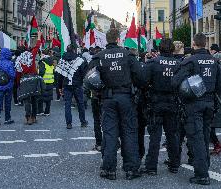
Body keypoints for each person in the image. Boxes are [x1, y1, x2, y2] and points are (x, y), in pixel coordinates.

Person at [89, 28, 145, 180]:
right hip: (126, 98)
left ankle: (109, 170)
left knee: (109, 133)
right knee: (129, 132)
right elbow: (141, 78)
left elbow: (89, 79)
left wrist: (99, 91)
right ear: (118, 40)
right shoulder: (128, 55)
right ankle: (131, 169)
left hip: (108, 98)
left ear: (107, 40)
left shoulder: (98, 56)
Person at [172, 33, 220, 185]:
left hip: (194, 103)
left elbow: (175, 82)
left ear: (194, 44)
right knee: (205, 137)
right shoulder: (214, 61)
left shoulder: (190, 61)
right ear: (205, 44)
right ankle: (205, 166)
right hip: (210, 103)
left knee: (196, 138)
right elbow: (220, 85)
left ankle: (202, 174)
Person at [141, 39, 180, 175]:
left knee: (155, 137)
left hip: (156, 102)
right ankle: (174, 164)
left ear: (160, 49)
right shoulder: (179, 64)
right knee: (172, 135)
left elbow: (143, 82)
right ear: (172, 49)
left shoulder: (152, 63)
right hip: (173, 102)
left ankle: (151, 167)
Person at [56, 45, 88, 129]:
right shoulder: (80, 60)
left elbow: (60, 75)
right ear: (74, 50)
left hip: (66, 85)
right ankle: (83, 122)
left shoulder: (62, 60)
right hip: (78, 84)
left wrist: (59, 86)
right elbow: (84, 73)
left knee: (67, 104)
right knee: (80, 103)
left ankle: (69, 123)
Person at [15, 32, 42, 125]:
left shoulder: (18, 60)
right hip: (34, 79)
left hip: (25, 80)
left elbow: (18, 74)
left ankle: (28, 117)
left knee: (27, 100)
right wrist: (39, 36)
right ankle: (34, 117)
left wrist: (18, 84)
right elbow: (37, 46)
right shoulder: (31, 55)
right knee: (34, 99)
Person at [0, 48, 16, 125]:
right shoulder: (10, 63)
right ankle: (7, 118)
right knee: (7, 102)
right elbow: (13, 75)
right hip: (8, 85)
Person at [37, 52, 54, 116]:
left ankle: (40, 111)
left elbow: (41, 72)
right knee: (48, 98)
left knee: (40, 97)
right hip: (50, 82)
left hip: (43, 82)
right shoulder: (51, 64)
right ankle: (47, 112)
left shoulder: (42, 63)